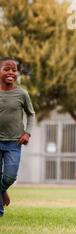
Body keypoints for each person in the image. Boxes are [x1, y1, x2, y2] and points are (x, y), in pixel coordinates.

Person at [0, 57, 35, 217]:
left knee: (9, 177)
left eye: (14, 70)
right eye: (6, 69)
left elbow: (31, 114)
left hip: (14, 142)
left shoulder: (22, 93)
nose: (11, 73)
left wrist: (27, 132)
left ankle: (2, 189)